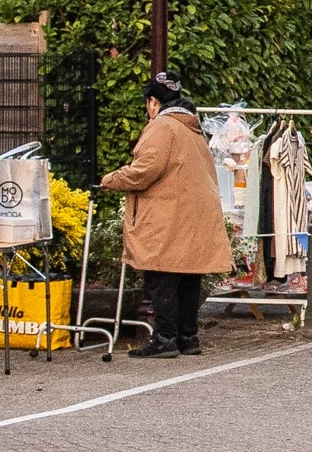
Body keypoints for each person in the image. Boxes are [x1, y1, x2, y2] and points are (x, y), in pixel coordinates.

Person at [100, 72, 233, 358]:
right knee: (187, 276)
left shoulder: (163, 127)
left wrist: (110, 179)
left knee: (161, 276)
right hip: (195, 213)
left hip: (169, 214)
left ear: (152, 102)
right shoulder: (192, 128)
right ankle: (188, 337)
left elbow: (145, 170)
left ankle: (165, 337)